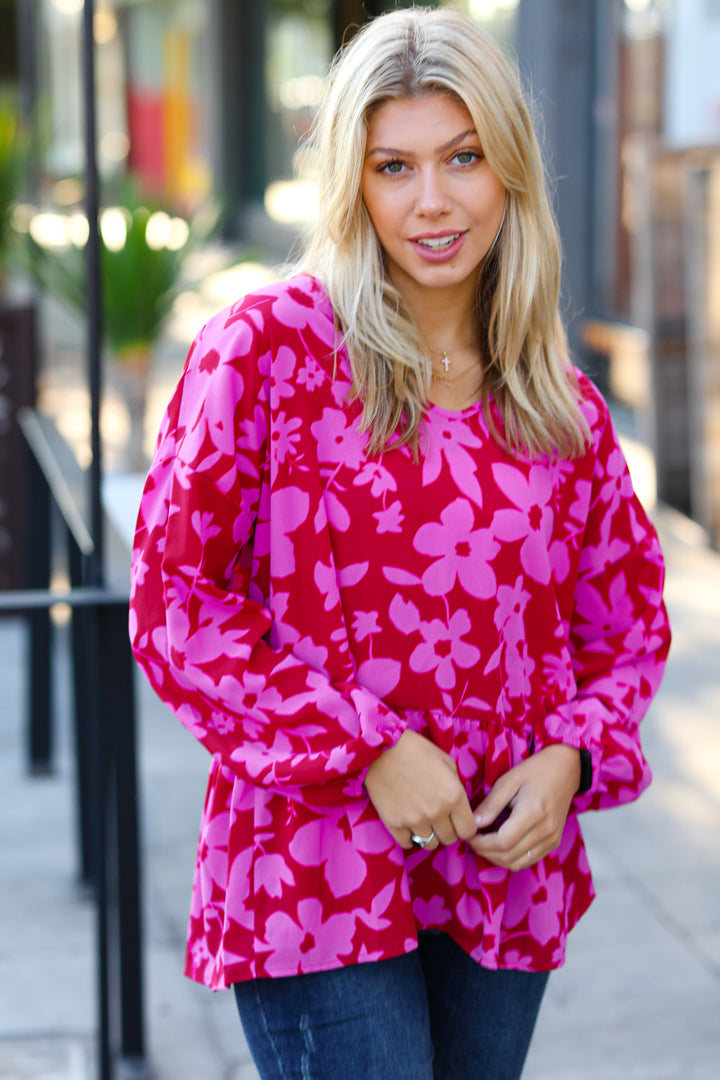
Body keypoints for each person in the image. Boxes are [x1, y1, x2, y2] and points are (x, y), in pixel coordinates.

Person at [129, 7, 671, 1079]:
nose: (433, 201)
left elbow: (630, 625)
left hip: (499, 876)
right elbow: (177, 608)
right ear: (353, 182)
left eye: (463, 157)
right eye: (394, 166)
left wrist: (569, 756)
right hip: (313, 868)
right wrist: (366, 748)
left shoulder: (559, 406)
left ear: (509, 165)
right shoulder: (266, 354)